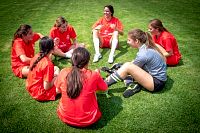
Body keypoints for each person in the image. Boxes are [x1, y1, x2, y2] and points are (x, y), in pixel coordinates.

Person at [104, 29, 167, 98]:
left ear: (137, 41)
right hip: (156, 79)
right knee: (126, 66)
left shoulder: (143, 54)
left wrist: (120, 69)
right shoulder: (148, 47)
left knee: (127, 67)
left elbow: (131, 68)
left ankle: (103, 84)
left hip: (156, 84)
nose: (127, 42)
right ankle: (132, 85)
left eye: (129, 40)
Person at [55, 47, 108, 127]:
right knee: (93, 92)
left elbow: (58, 90)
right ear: (87, 62)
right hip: (89, 119)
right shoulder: (93, 75)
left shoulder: (63, 72)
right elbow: (104, 88)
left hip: (65, 116)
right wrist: (98, 75)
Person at [26, 36, 60, 101]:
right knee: (63, 83)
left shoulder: (37, 56)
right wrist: (56, 77)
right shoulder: (48, 64)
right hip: (40, 93)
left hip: (31, 87)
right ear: (52, 49)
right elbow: (46, 87)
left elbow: (47, 58)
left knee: (56, 68)